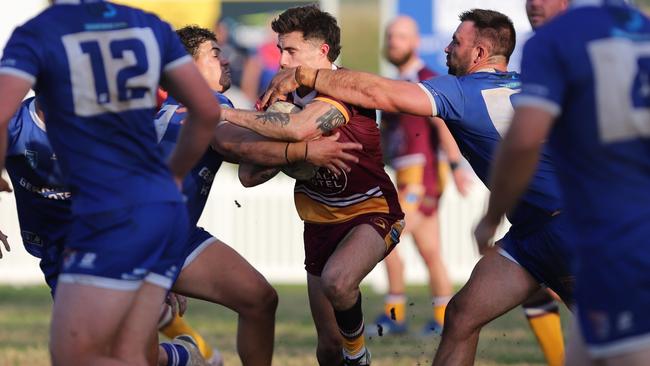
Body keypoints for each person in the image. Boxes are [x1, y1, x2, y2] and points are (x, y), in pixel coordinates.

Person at [259, 8, 575, 366]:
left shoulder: (463, 90)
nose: (445, 48)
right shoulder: (528, 85)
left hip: (569, 228)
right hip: (530, 233)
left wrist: (304, 75)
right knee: (461, 316)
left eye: (456, 42)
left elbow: (379, 93)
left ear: (478, 55)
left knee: (620, 338)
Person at [0, 1, 222, 365]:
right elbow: (207, 112)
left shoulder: (38, 34)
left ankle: (180, 346)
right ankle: (183, 352)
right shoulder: (146, 28)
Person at [155, 25, 362, 366]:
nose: (225, 61)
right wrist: (304, 152)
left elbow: (249, 173)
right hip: (138, 239)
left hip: (171, 237)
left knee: (259, 299)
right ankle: (182, 357)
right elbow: (231, 145)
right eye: (215, 54)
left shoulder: (176, 109)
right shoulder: (203, 104)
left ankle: (183, 356)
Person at [221, 5, 405, 365]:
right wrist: (292, 155)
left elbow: (297, 128)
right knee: (327, 347)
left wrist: (226, 114)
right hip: (319, 224)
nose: (282, 59)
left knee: (338, 282)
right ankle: (348, 353)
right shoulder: (283, 97)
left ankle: (360, 356)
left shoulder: (346, 89)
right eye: (279, 50)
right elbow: (248, 175)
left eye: (290, 51)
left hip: (371, 212)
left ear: (322, 52)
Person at [475, 1, 650, 365]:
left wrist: (491, 218)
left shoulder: (555, 42)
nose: (534, 3)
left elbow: (523, 141)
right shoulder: (639, 27)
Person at [373, 15, 469, 336]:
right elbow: (388, 137)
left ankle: (395, 316)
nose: (393, 42)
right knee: (430, 252)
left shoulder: (425, 79)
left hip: (421, 178)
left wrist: (455, 167)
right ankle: (444, 318)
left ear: (415, 42)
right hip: (403, 174)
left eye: (400, 36)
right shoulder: (392, 85)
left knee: (386, 239)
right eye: (390, 36)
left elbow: (444, 126)